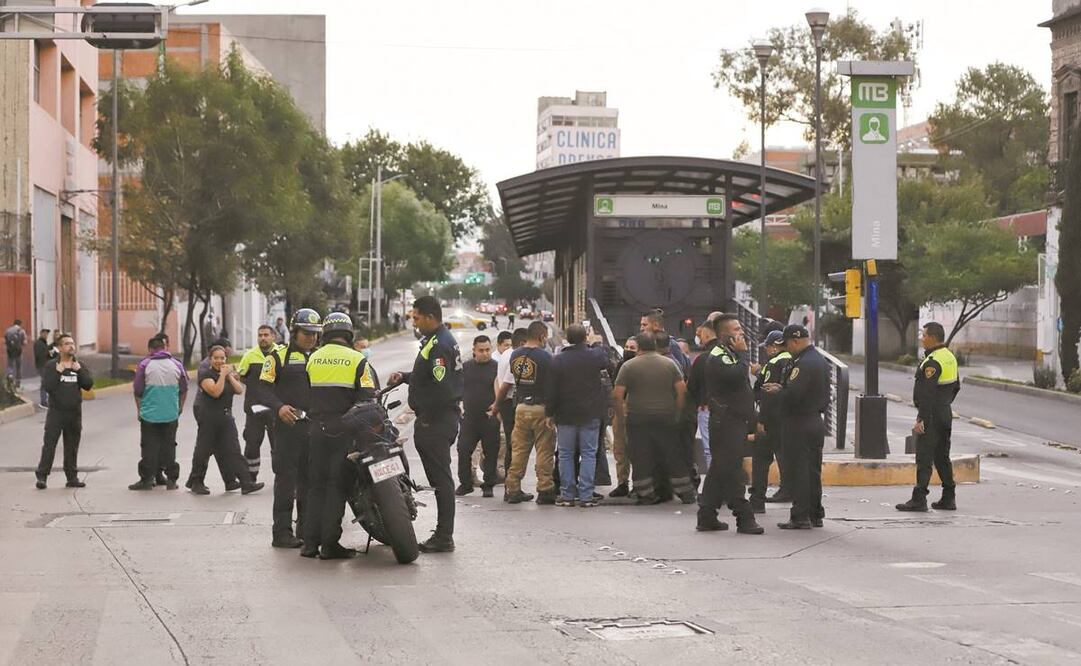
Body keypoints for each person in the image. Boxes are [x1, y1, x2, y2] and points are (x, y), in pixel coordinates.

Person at [301, 311, 379, 559]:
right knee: (336, 487)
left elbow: (305, 395)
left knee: (316, 487)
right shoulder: (358, 360)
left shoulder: (313, 359)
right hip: (343, 432)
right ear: (348, 333)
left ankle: (309, 544)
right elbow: (369, 397)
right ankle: (329, 545)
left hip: (315, 430)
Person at [388, 296, 463, 553]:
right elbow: (430, 377)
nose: (415, 322)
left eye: (417, 317)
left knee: (441, 481)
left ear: (430, 317)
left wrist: (428, 417)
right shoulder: (435, 341)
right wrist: (405, 378)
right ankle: (443, 534)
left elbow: (442, 389)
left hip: (437, 422)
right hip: (437, 419)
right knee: (439, 479)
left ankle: (444, 536)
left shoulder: (440, 344)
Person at [259, 308, 322, 549]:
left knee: (309, 481)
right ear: (294, 331)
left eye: (315, 333)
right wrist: (279, 407)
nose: (311, 337)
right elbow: (261, 389)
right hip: (288, 428)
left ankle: (305, 530)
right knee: (286, 481)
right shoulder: (277, 357)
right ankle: (281, 533)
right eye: (306, 333)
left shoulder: (321, 357)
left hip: (314, 428)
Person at [697, 314, 764, 534]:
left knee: (719, 469)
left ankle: (706, 516)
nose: (741, 332)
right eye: (736, 329)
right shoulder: (717, 356)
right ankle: (744, 517)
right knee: (732, 471)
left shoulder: (730, 354)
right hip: (725, 423)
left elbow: (741, 390)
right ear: (725, 335)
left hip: (736, 421)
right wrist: (744, 354)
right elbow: (736, 377)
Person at [613, 333, 695, 505]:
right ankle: (686, 492)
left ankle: (646, 493)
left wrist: (621, 417)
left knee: (641, 456)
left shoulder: (629, 366)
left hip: (637, 418)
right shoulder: (670, 364)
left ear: (639, 347)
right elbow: (681, 391)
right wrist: (677, 412)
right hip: (665, 416)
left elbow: (618, 395)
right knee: (673, 454)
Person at [763, 324, 829, 529]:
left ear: (796, 340)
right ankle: (815, 513)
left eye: (787, 344)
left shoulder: (803, 363)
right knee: (812, 471)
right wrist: (784, 388)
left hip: (799, 422)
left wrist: (778, 392)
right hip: (814, 421)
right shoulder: (818, 359)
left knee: (798, 470)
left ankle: (800, 516)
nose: (786, 349)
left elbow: (794, 396)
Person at [896, 322, 961, 512]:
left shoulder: (932, 361)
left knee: (924, 457)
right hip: (944, 412)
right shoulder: (949, 357)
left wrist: (921, 420)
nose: (921, 338)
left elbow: (927, 394)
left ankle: (919, 499)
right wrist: (945, 403)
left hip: (931, 414)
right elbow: (956, 386)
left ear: (932, 338)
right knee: (942, 457)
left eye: (923, 335)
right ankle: (949, 497)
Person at [186, 346, 264, 496]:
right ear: (210, 359)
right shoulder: (205, 374)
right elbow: (215, 392)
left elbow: (239, 390)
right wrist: (222, 375)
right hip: (209, 417)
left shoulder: (227, 373)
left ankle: (246, 483)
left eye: (222, 358)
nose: (219, 361)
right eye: (216, 358)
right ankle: (196, 482)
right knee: (203, 450)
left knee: (234, 449)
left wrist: (228, 376)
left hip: (226, 417)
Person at [547, 323, 610, 507]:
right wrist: (595, 343)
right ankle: (586, 495)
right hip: (590, 413)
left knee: (566, 454)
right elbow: (607, 358)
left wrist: (549, 413)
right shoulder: (594, 356)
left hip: (565, 414)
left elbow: (551, 390)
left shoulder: (558, 360)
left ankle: (567, 495)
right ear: (585, 338)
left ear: (567, 339)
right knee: (589, 454)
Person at [500, 321, 556, 505]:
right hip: (541, 408)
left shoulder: (515, 354)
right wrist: (551, 412)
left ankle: (513, 488)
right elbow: (550, 386)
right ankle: (545, 489)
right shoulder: (546, 357)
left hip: (521, 408)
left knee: (519, 451)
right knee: (544, 450)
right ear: (541, 337)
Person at [34, 334, 93, 489]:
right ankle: (42, 476)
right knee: (49, 445)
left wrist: (80, 371)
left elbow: (88, 385)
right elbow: (48, 387)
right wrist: (58, 372)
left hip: (74, 414)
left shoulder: (79, 365)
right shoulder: (52, 366)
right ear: (60, 348)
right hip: (56, 413)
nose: (71, 346)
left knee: (72, 446)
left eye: (72, 343)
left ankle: (72, 477)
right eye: (67, 344)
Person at [130, 336, 188, 490]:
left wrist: (139, 410)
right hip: (170, 414)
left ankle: (147, 480)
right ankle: (171, 480)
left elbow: (137, 391)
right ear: (164, 348)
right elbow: (184, 388)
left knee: (149, 447)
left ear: (150, 349)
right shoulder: (177, 364)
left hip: (149, 415)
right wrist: (180, 407)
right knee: (169, 446)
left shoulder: (144, 365)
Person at [749, 330, 793, 513]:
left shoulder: (775, 363)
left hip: (773, 419)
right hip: (789, 418)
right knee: (785, 455)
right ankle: (788, 489)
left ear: (775, 346)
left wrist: (761, 420)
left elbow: (768, 393)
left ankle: (757, 500)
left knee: (761, 459)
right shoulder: (793, 360)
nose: (766, 350)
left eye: (767, 347)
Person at [455, 335, 500, 498]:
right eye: (481, 350)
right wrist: (459, 408)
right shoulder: (465, 368)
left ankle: (488, 485)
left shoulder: (497, 367)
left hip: (489, 418)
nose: (485, 353)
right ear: (474, 350)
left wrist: (497, 409)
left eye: (488, 350)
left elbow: (502, 390)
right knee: (463, 449)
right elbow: (457, 389)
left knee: (491, 452)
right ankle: (466, 483)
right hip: (469, 418)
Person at [239, 325, 278, 483]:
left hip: (275, 409)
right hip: (254, 409)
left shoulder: (280, 354)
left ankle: (280, 476)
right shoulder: (250, 355)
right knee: (252, 444)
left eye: (266, 335)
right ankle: (250, 477)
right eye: (260, 335)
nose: (263, 338)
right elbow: (241, 375)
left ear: (273, 336)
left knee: (278, 446)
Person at [491, 328, 527, 479]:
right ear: (523, 342)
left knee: (512, 444)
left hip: (506, 403)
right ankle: (512, 485)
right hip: (510, 403)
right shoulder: (514, 355)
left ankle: (510, 483)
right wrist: (497, 405)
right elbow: (506, 384)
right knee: (515, 445)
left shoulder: (505, 354)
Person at [687, 321, 718, 478]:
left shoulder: (702, 359)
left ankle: (713, 487)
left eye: (700, 335)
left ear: (707, 334)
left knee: (709, 449)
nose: (699, 338)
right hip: (728, 410)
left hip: (706, 408)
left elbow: (691, 387)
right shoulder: (731, 355)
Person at [608, 336, 638, 498]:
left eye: (632, 348)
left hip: (635, 409)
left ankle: (637, 483)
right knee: (620, 449)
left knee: (635, 449)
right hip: (620, 410)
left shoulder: (639, 367)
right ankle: (622, 483)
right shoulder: (620, 366)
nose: (628, 350)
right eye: (626, 347)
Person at [640, 310, 689, 377]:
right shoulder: (647, 344)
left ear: (656, 325)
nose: (641, 328)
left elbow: (680, 374)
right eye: (641, 325)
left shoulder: (671, 344)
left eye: (644, 325)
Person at [4, 318, 27, 387]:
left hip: (10, 351)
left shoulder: (8, 331)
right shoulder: (22, 331)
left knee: (10, 365)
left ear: (14, 323)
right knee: (19, 367)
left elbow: (6, 341)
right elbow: (24, 342)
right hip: (18, 352)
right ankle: (18, 382)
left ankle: (10, 375)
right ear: (20, 324)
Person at [33, 328, 53, 407]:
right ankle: (43, 401)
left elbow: (46, 354)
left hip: (45, 365)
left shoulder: (44, 343)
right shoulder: (38, 343)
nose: (46, 335)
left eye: (47, 334)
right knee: (44, 383)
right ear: (41, 334)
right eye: (44, 333)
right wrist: (47, 353)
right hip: (42, 365)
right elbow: (39, 355)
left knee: (45, 382)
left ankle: (45, 400)